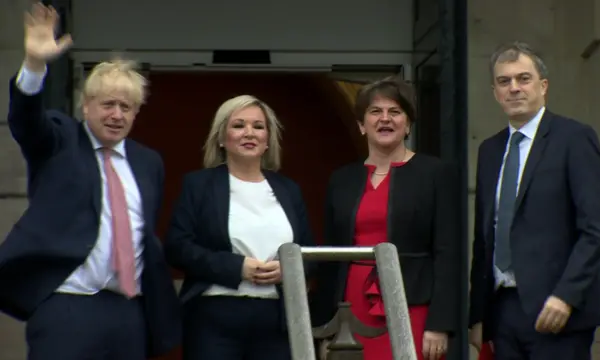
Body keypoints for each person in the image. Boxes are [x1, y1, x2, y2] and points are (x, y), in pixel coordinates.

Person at [0, 3, 181, 360]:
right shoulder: (59, 139)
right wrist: (35, 65)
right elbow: (26, 121)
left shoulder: (148, 162)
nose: (116, 114)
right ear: (86, 106)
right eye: (107, 104)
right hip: (68, 305)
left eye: (126, 107)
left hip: (128, 310)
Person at [468, 41, 600, 360]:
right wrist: (478, 314)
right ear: (495, 91)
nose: (514, 88)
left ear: (543, 86)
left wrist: (566, 296)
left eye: (524, 78)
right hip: (503, 311)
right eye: (504, 81)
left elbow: (595, 228)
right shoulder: (489, 151)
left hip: (558, 311)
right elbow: (484, 240)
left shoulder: (573, 139)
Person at [309, 77, 461, 360]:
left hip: (413, 303)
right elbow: (329, 260)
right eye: (375, 112)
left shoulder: (436, 174)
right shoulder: (341, 179)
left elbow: (448, 253)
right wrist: (323, 328)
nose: (385, 119)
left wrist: (440, 324)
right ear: (361, 125)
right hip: (350, 305)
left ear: (408, 124)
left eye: (395, 112)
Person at [164, 95, 316, 360]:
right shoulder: (199, 186)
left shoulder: (289, 190)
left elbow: (310, 255)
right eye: (239, 125)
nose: (249, 133)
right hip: (215, 316)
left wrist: (288, 269)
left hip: (277, 318)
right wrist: (237, 267)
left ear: (268, 139)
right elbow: (177, 247)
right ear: (221, 137)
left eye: (258, 126)